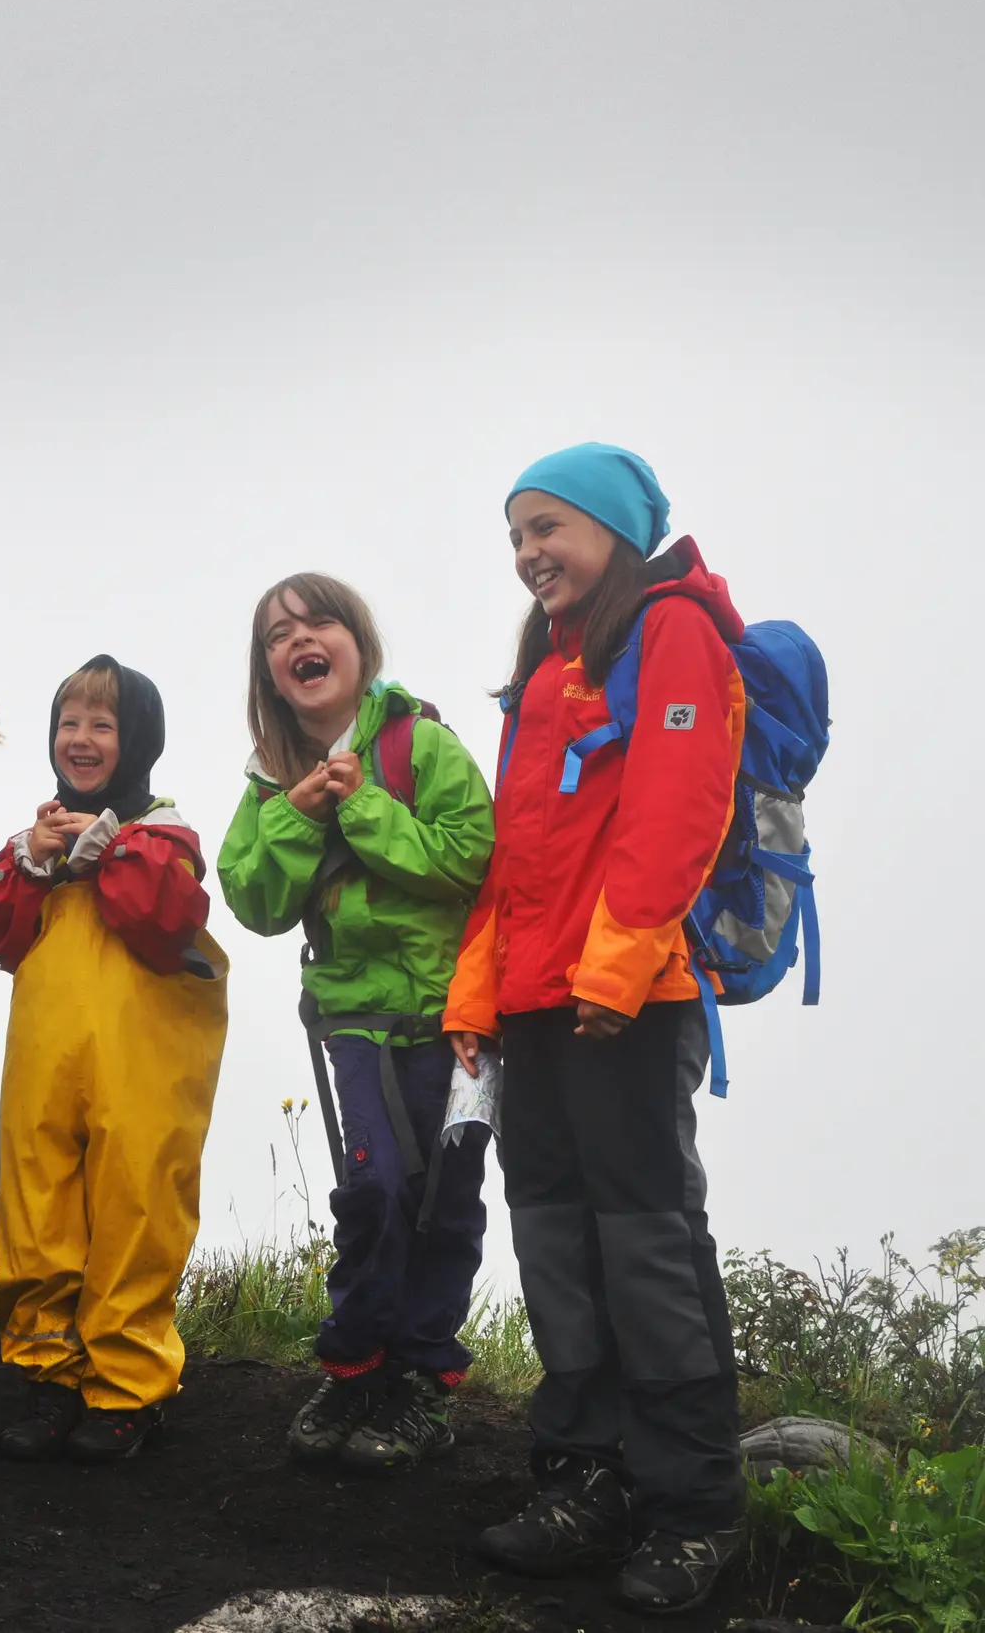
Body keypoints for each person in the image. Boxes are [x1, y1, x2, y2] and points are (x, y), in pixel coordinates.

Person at [446, 444, 748, 1616]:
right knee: (559, 1248)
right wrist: (478, 1000)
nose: (528, 553)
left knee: (648, 1253)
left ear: (613, 530)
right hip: (538, 1008)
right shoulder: (548, 666)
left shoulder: (673, 630)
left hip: (627, 1004)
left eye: (548, 528)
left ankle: (695, 1509)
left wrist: (615, 971)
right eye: (516, 535)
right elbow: (515, 867)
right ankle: (588, 1478)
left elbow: (679, 812)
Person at [219, 575, 495, 1473]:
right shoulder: (270, 776)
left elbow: (472, 859)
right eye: (276, 634)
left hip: (459, 1020)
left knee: (446, 1199)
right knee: (374, 1194)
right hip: (355, 1019)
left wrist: (365, 806)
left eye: (317, 620)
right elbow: (254, 900)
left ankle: (420, 1381)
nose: (298, 638)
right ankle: (355, 1365)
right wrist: (299, 815)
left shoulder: (423, 743)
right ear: (270, 670)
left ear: (356, 643)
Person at [0, 656, 228, 1464]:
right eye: (67, 723)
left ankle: (126, 1388)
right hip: (46, 1066)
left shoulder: (165, 837)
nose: (79, 739)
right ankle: (49, 1376)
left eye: (101, 724)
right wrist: (33, 858)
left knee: (136, 1204)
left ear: (137, 739)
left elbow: (163, 921)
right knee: (36, 1203)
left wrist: (106, 849)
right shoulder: (36, 842)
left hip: (141, 1070)